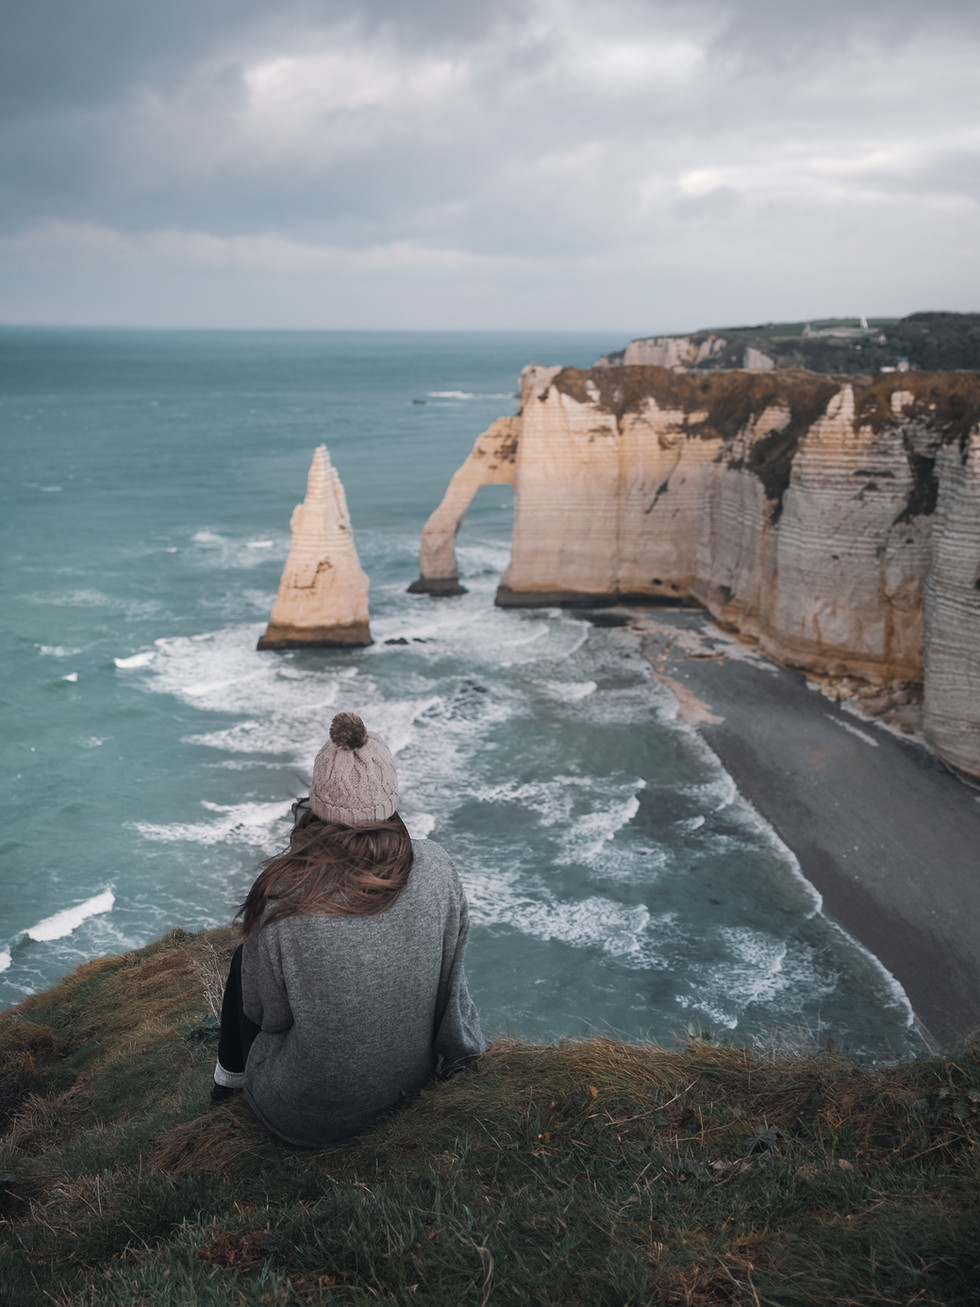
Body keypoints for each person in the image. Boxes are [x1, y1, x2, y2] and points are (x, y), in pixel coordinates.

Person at [212, 711, 484, 1147]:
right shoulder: (438, 866)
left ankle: (227, 1087)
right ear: (388, 795)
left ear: (319, 802)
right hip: (409, 1087)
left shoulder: (285, 895)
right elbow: (451, 984)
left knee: (245, 960)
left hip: (309, 1114)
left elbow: (268, 1016)